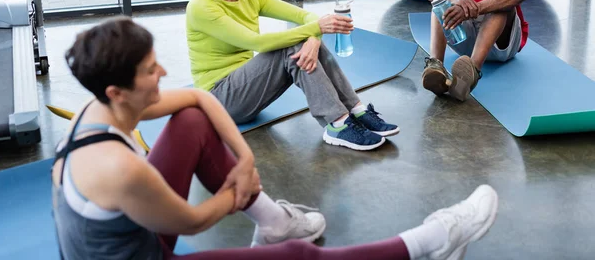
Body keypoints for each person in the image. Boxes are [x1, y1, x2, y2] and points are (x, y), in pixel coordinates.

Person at [52, 17, 500, 260]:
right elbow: (188, 223)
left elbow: (196, 100)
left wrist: (245, 161)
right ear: (117, 90)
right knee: (299, 257)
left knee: (189, 119)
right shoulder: (118, 169)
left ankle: (273, 220)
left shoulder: (100, 110)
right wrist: (235, 195)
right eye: (152, 70)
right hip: (153, 247)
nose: (163, 72)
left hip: (137, 239)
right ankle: (433, 241)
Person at [185, 0, 399, 151]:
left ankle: (356, 111)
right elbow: (257, 42)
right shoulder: (201, 8)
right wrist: (316, 30)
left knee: (302, 42)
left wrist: (314, 39)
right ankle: (338, 123)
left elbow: (308, 18)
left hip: (247, 92)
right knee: (292, 46)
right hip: (220, 100)